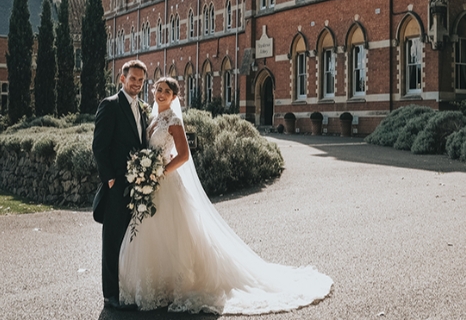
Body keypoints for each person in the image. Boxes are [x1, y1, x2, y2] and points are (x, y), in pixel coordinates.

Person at [118, 77, 333, 313]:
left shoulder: (174, 121)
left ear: (174, 97)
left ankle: (177, 285)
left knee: (175, 236)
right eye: (158, 89)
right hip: (152, 185)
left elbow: (183, 156)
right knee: (152, 234)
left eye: (166, 91)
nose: (160, 94)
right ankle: (156, 284)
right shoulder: (153, 118)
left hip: (166, 182)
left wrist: (159, 172)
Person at [92, 60, 149, 310]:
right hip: (117, 185)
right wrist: (110, 179)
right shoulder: (110, 105)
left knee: (131, 240)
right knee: (113, 240)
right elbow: (99, 146)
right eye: (133, 79)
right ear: (122, 79)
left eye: (141, 80)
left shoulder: (143, 109)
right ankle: (110, 295)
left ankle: (127, 290)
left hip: (137, 186)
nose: (136, 84)